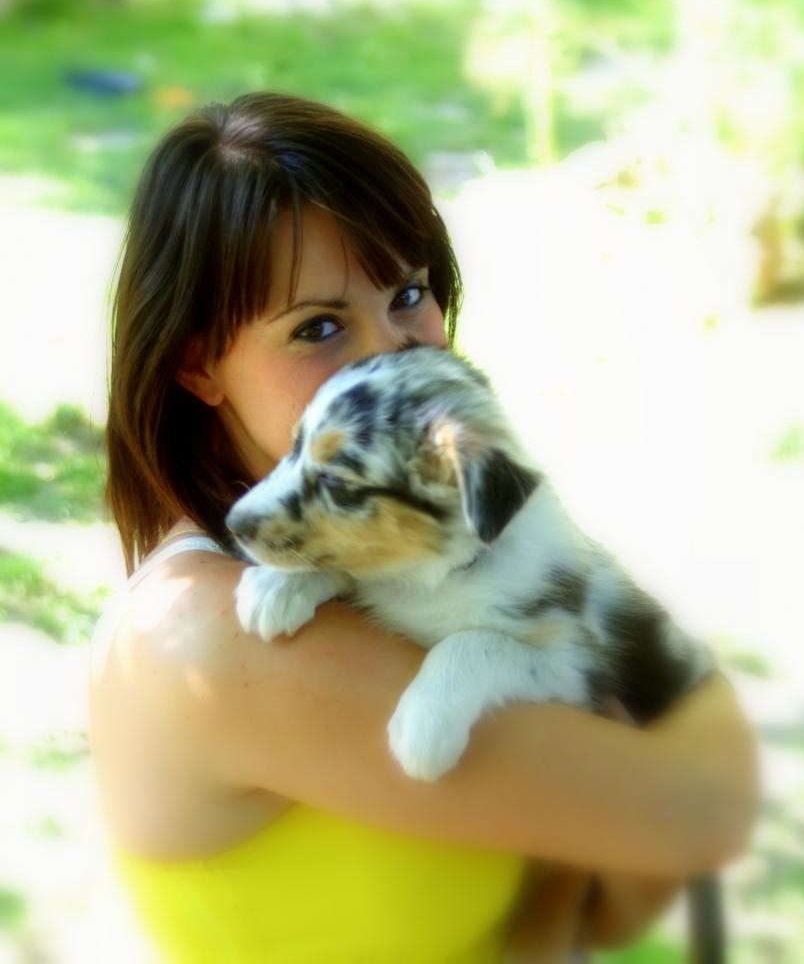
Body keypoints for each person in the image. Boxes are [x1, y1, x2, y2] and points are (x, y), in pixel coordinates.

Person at [89, 91, 758, 963]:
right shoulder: (213, 637)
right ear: (198, 364)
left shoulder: (389, 536)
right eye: (317, 327)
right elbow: (695, 808)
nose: (392, 352)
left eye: (408, 293)